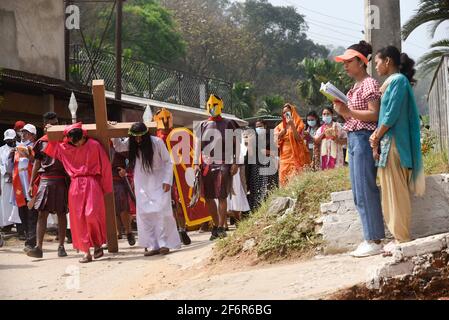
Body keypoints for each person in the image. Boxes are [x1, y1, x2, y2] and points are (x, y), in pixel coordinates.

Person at [370, 46, 425, 254]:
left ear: (388, 61)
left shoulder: (398, 81)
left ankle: (402, 238)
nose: (375, 66)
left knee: (397, 193)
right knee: (390, 192)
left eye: (377, 62)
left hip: (394, 145)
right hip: (388, 145)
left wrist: (375, 135)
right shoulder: (392, 82)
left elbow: (390, 115)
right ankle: (397, 236)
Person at [333, 40, 385, 257]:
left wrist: (349, 112)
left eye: (348, 61)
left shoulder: (369, 84)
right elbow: (354, 116)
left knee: (366, 189)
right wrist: (342, 112)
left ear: (361, 62)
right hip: (354, 139)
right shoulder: (353, 88)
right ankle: (369, 237)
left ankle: (374, 239)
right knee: (358, 191)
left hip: (364, 139)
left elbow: (374, 114)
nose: (345, 66)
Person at [44, 123, 112, 263]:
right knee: (78, 219)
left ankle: (98, 244)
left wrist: (106, 187)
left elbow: (105, 166)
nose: (78, 143)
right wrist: (49, 130)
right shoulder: (65, 148)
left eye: (79, 140)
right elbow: (51, 147)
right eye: (74, 141)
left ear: (83, 136)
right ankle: (86, 252)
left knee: (92, 214)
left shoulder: (94, 145)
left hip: (92, 183)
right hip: (75, 185)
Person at [113, 122, 181, 256]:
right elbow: (119, 146)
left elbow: (168, 162)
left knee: (160, 212)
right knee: (145, 214)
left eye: (140, 137)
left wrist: (167, 180)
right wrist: (113, 130)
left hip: (160, 182)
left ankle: (164, 244)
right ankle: (152, 246)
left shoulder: (157, 142)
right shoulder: (132, 143)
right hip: (142, 183)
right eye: (135, 138)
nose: (138, 140)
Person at [194, 94, 239, 240]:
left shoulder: (229, 123)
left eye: (215, 105)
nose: (212, 108)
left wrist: (236, 162)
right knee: (208, 197)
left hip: (224, 162)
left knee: (221, 195)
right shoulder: (202, 125)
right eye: (210, 105)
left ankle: (221, 226)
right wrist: (195, 163)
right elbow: (197, 145)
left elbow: (236, 144)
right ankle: (215, 225)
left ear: (220, 105)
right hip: (206, 163)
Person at [26, 113, 69, 258]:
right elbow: (37, 163)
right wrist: (31, 183)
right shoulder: (41, 142)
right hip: (45, 180)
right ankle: (38, 247)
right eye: (51, 123)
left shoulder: (65, 140)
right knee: (41, 214)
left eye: (56, 123)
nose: (54, 126)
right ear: (45, 125)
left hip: (61, 180)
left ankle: (61, 246)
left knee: (61, 213)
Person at [153, 108, 191, 245]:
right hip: (162, 174)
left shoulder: (176, 134)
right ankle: (174, 230)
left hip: (176, 173)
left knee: (177, 202)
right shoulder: (155, 137)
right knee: (167, 203)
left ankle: (182, 228)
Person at [11, 124, 38, 251]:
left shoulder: (35, 146)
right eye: (22, 132)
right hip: (19, 184)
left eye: (26, 133)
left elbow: (35, 160)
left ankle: (31, 242)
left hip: (30, 182)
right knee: (22, 211)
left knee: (32, 212)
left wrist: (28, 153)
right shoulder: (17, 148)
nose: (23, 135)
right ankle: (29, 236)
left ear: (32, 135)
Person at [274, 104, 310, 186]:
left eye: (287, 112)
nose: (285, 114)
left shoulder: (298, 123)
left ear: (292, 112)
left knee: (294, 180)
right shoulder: (280, 126)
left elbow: (298, 138)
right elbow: (276, 138)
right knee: (283, 180)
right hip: (284, 157)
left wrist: (292, 125)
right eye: (284, 112)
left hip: (295, 156)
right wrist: (284, 129)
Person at [247, 120, 277, 211]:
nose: (258, 128)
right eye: (257, 126)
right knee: (255, 189)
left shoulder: (270, 138)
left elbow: (275, 152)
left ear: (265, 126)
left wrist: (266, 152)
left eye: (260, 126)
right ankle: (255, 210)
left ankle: (265, 209)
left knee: (266, 187)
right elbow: (251, 154)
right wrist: (249, 142)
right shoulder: (253, 138)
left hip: (267, 165)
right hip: (255, 167)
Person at [111, 144, 136, 246]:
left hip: (118, 181)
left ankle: (128, 232)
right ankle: (116, 233)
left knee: (123, 207)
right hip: (104, 181)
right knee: (110, 209)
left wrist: (126, 170)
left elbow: (132, 159)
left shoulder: (119, 145)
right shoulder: (99, 144)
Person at [0, 130, 20, 232]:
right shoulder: (1, 150)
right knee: (6, 202)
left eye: (11, 139)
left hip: (18, 178)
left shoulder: (20, 147)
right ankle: (7, 224)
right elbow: (1, 166)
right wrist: (6, 172)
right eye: (8, 140)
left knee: (17, 201)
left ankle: (19, 225)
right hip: (6, 179)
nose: (10, 142)